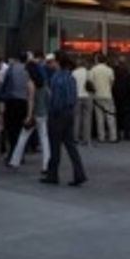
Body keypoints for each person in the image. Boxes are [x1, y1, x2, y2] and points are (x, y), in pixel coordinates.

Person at [42, 52, 87, 186]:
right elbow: (72, 97)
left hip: (58, 114)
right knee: (70, 145)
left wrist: (52, 111)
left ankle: (53, 174)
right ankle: (79, 173)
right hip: (69, 113)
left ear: (58, 62)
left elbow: (56, 99)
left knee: (55, 146)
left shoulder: (56, 78)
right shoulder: (70, 77)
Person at [7, 58, 49, 172]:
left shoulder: (30, 83)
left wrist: (29, 116)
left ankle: (14, 161)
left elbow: (30, 100)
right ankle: (46, 164)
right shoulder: (43, 82)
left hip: (34, 114)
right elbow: (48, 96)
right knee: (44, 139)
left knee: (22, 137)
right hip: (43, 113)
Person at [0, 51, 30, 157]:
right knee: (22, 128)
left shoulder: (11, 68)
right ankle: (20, 152)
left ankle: (12, 151)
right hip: (24, 100)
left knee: (11, 128)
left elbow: (5, 84)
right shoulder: (28, 70)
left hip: (11, 100)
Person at [89, 52, 117, 143]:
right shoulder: (109, 70)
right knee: (110, 117)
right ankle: (113, 136)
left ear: (97, 60)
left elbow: (90, 83)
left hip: (97, 96)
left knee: (99, 117)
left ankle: (101, 137)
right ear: (105, 60)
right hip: (108, 95)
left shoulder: (93, 70)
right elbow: (112, 82)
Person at [112, 56, 130, 141]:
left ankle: (117, 133)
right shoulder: (127, 73)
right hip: (126, 98)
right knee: (127, 117)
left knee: (117, 116)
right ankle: (127, 134)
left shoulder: (115, 72)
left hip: (116, 97)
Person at [71, 57, 93, 145]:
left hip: (77, 96)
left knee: (76, 117)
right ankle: (86, 138)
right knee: (87, 118)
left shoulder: (74, 73)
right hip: (87, 96)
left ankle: (75, 137)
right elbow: (92, 85)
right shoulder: (89, 72)